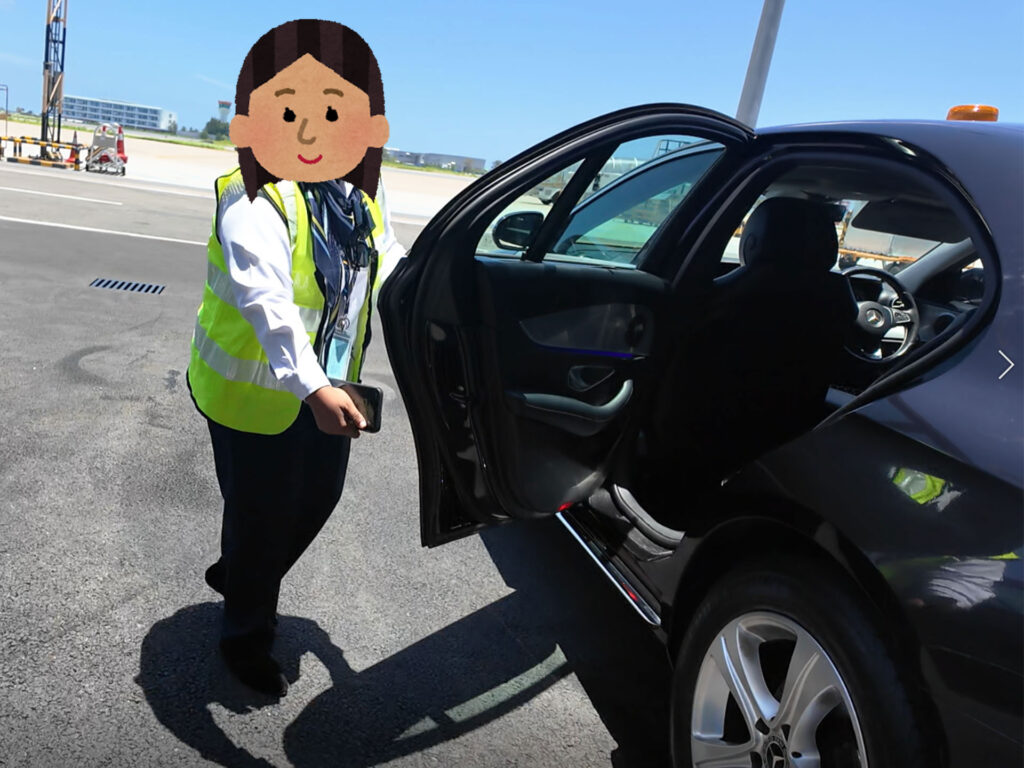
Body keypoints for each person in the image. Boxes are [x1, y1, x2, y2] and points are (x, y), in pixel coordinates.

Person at [186, 19, 404, 696]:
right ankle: (245, 638)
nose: (311, 132)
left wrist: (435, 295)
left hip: (327, 384)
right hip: (252, 394)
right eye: (289, 114)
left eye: (334, 114)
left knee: (319, 497)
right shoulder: (254, 196)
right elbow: (266, 301)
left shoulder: (359, 193)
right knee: (262, 515)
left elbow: (389, 258)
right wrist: (313, 388)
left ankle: (240, 573)